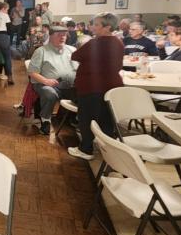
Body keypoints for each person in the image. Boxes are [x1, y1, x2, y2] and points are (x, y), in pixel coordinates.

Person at [68, 13, 124, 160]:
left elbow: (75, 56)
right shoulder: (118, 42)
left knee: (87, 119)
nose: (92, 27)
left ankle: (86, 150)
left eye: (96, 24)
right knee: (106, 120)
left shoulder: (96, 43)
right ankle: (108, 151)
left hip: (91, 86)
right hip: (111, 86)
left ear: (108, 27)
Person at [28, 26, 77, 136]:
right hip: (46, 84)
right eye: (59, 35)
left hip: (70, 85)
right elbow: (32, 72)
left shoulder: (72, 50)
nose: (62, 37)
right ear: (50, 36)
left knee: (87, 92)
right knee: (49, 93)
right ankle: (45, 120)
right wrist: (45, 81)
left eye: (64, 35)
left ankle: (74, 119)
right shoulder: (41, 51)